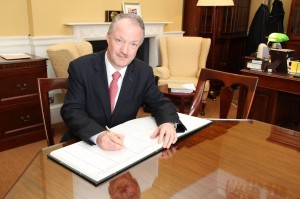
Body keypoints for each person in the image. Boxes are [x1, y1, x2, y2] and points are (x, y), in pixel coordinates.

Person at [61, 13, 186, 151]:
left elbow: (159, 103)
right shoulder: (80, 68)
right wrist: (99, 136)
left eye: (133, 44)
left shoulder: (143, 72)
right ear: (108, 38)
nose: (125, 51)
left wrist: (168, 122)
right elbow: (71, 111)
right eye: (119, 41)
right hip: (82, 143)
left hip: (122, 147)